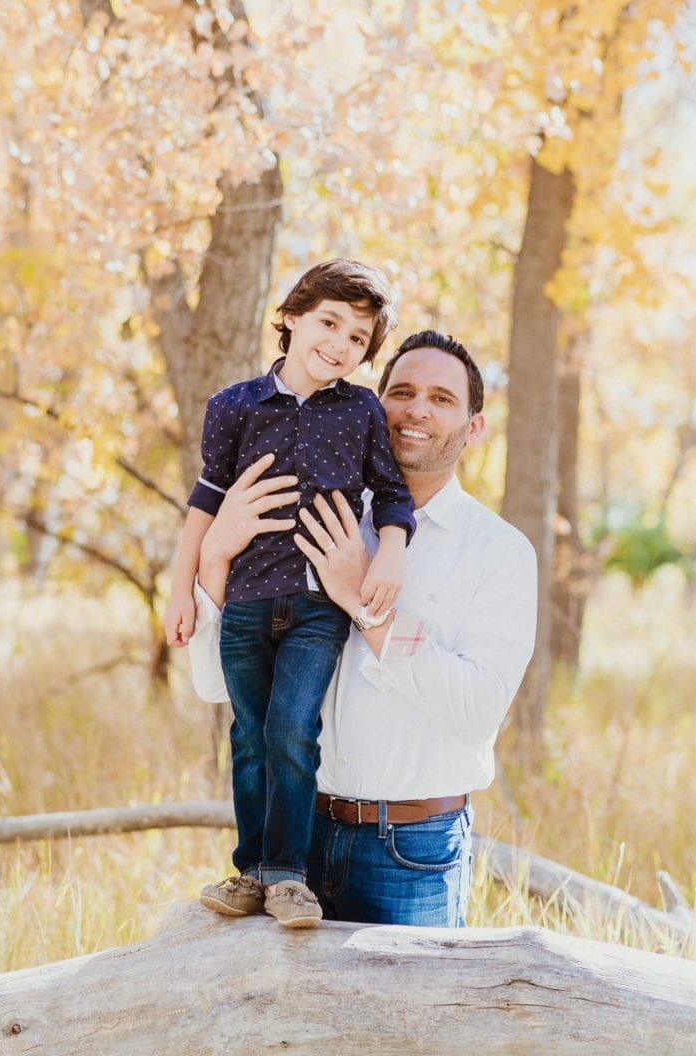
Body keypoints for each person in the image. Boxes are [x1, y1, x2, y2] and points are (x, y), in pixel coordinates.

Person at [193, 329, 537, 927]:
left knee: (416, 1024)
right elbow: (212, 685)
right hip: (293, 850)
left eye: (442, 398)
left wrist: (363, 603)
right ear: (372, 411)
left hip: (411, 852)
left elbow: (477, 709)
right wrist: (215, 556)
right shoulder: (308, 519)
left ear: (473, 427)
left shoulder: (499, 552)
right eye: (401, 392)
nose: (417, 409)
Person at [164, 260, 416, 928]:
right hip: (245, 598)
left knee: (290, 729)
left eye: (357, 339)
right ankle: (250, 871)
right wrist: (182, 588)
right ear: (293, 316)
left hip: (316, 607)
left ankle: (287, 876)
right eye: (328, 322)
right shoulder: (233, 406)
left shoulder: (360, 410)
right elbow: (205, 503)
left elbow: (391, 493)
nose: (338, 343)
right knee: (247, 736)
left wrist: (388, 549)